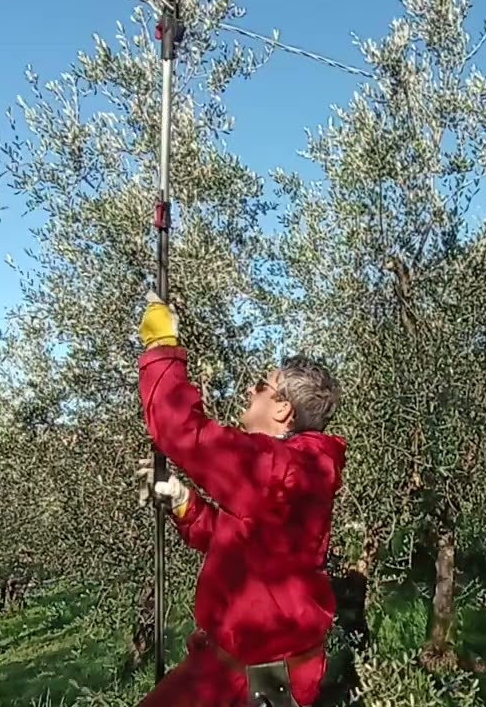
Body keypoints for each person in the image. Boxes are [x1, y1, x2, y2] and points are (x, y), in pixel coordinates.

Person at [135, 291, 346, 707]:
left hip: (252, 683)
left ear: (283, 409)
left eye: (260, 386)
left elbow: (178, 429)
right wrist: (185, 504)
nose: (250, 391)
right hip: (237, 669)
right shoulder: (287, 472)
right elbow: (241, 544)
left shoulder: (282, 470)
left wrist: (162, 348)